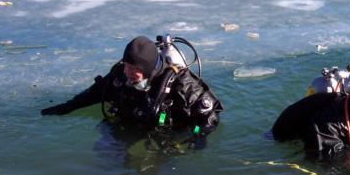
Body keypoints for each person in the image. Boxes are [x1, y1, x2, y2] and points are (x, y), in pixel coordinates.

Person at [41, 36, 223, 137]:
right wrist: (68, 106)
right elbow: (97, 92)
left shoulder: (181, 84)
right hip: (127, 125)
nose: (127, 72)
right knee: (107, 161)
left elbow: (208, 119)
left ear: (148, 69)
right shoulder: (121, 74)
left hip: (167, 133)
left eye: (134, 69)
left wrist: (195, 136)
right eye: (126, 65)